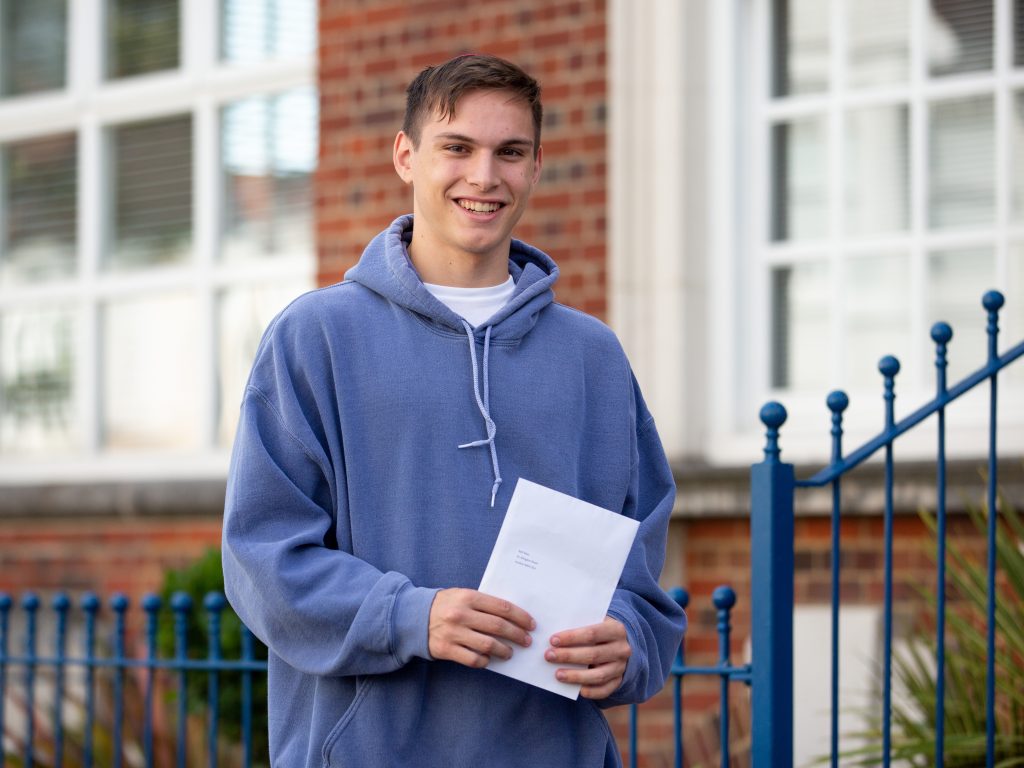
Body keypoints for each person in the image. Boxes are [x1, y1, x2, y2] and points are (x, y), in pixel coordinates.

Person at [222, 53, 686, 768]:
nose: (484, 176)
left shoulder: (593, 359)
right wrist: (412, 615)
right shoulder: (316, 338)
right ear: (406, 156)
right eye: (458, 148)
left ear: (535, 168)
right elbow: (263, 560)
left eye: (510, 152)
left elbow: (641, 583)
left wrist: (625, 640)